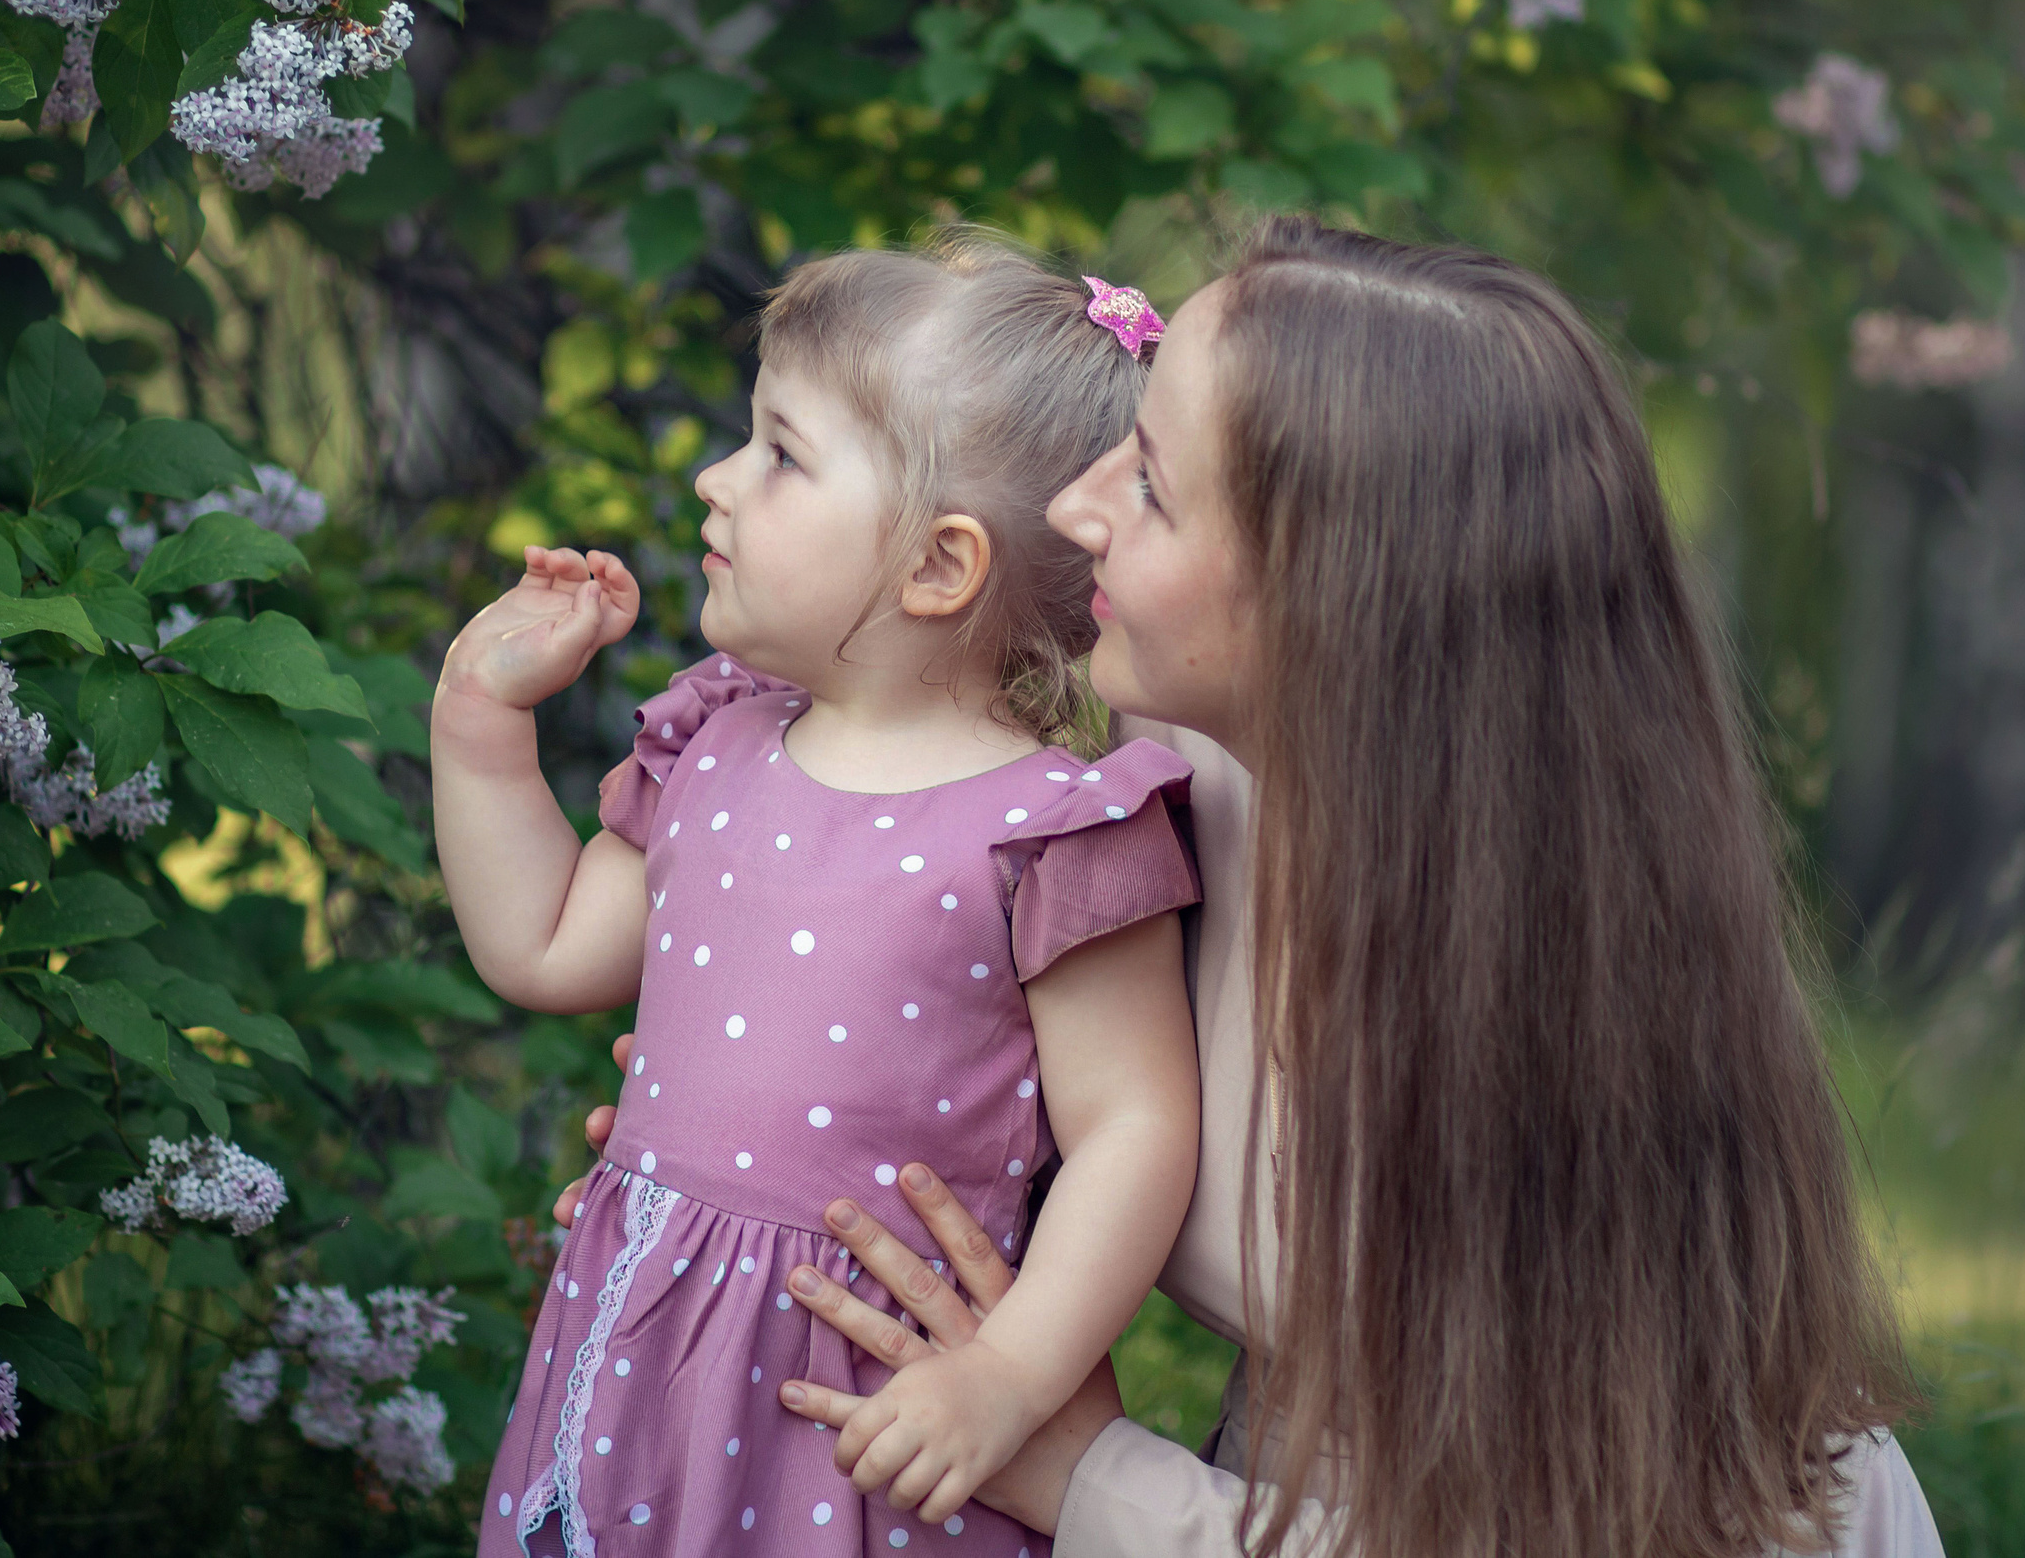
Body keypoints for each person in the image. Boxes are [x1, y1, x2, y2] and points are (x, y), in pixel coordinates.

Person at [566, 218, 1947, 1558]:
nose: (1071, 508)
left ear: (1333, 594)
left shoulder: (1530, 1007)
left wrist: (1089, 1476)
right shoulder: (1169, 774)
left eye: (1152, 485)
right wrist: (753, 1183)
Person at [435, 235, 1207, 1557]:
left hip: (860, 1401)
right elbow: (548, 944)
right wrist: (478, 726)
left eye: (779, 454)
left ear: (935, 568)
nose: (713, 480)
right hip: (647, 1361)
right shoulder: (714, 742)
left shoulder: (1052, 833)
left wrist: (1007, 1378)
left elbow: (1137, 1129)